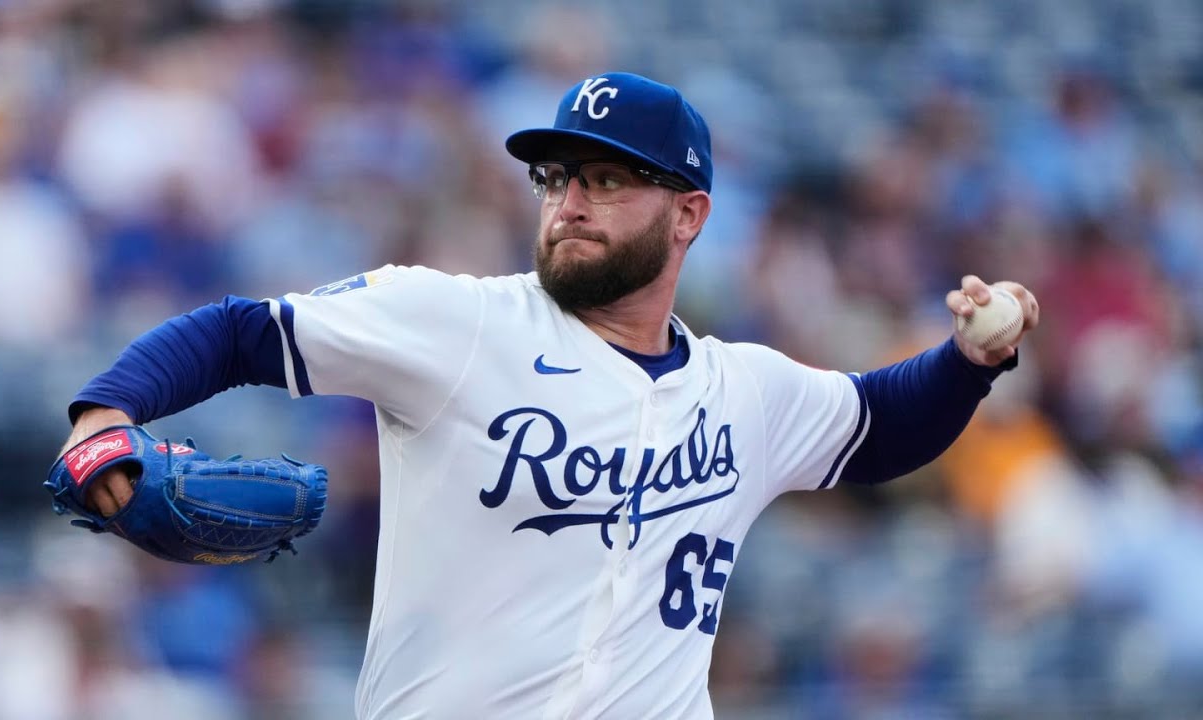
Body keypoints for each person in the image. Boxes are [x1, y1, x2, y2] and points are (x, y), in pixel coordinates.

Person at [58, 72, 1040, 718]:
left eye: (607, 180)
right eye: (556, 176)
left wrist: (966, 363)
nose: (568, 201)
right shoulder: (456, 322)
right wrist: (106, 415)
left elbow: (876, 426)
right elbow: (237, 331)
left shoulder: (744, 390)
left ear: (689, 213)